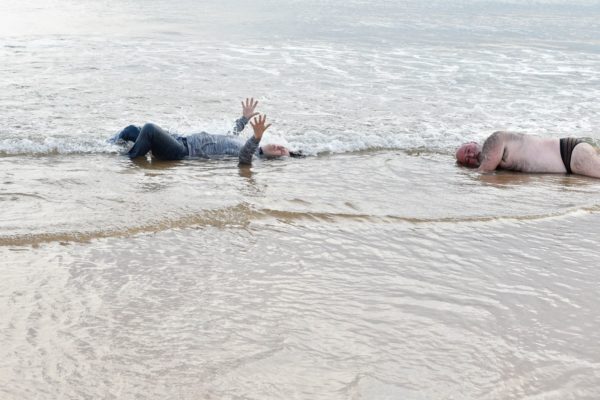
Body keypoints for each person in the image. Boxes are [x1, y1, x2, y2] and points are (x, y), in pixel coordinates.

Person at [110, 98, 294, 164]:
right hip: (180, 140)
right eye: (282, 146)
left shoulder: (252, 154)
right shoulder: (245, 143)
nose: (279, 147)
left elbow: (243, 157)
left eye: (282, 151)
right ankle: (104, 148)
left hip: (182, 151)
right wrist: (244, 119)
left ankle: (128, 161)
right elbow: (231, 134)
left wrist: (256, 137)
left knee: (149, 129)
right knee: (132, 130)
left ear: (276, 159)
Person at [455, 131, 600, 178]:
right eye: (466, 161)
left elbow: (484, 172)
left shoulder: (495, 140)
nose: (471, 156)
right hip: (569, 165)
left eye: (468, 150)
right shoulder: (499, 165)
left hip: (570, 154)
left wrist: (467, 177)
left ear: (473, 142)